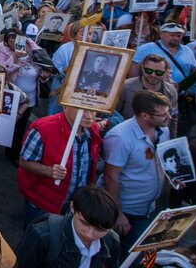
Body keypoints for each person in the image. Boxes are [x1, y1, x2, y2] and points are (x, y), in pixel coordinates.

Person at [103, 90, 172, 257]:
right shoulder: (120, 137)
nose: (169, 117)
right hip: (127, 212)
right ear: (145, 116)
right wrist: (118, 213)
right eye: (163, 115)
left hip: (149, 208)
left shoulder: (163, 131)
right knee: (130, 256)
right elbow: (110, 177)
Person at [18, 106, 102, 228]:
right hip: (43, 205)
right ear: (66, 107)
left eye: (93, 110)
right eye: (82, 110)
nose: (89, 116)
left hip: (75, 207)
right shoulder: (43, 128)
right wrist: (48, 171)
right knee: (35, 241)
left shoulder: (92, 129)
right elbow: (24, 161)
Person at [16, 185, 121, 268]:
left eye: (99, 229)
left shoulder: (112, 241)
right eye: (84, 223)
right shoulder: (43, 234)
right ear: (72, 207)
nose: (89, 234)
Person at [116, 54, 179, 136]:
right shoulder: (125, 87)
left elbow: (173, 117)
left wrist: (171, 140)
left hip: (159, 135)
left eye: (158, 72)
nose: (153, 75)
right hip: (129, 135)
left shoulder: (171, 90)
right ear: (142, 68)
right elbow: (115, 114)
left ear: (166, 72)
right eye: (148, 71)